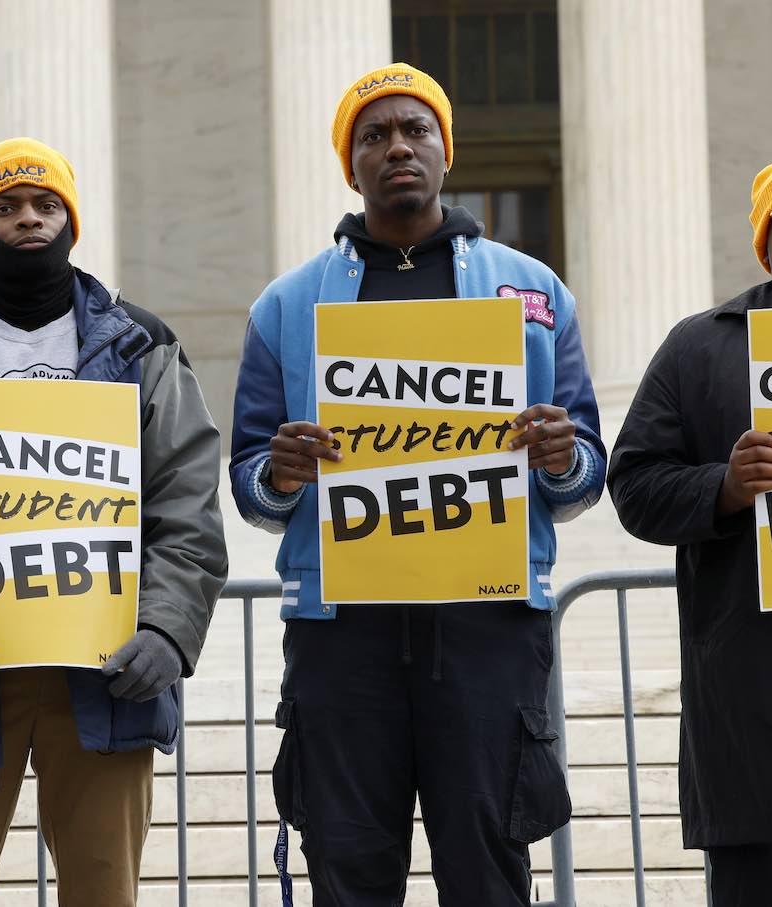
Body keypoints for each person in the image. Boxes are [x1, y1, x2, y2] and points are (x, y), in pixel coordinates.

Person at [228, 63, 605, 905]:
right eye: (375, 135)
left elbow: (586, 479)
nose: (398, 145)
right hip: (340, 635)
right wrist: (281, 474)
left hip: (488, 627)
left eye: (415, 130)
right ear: (349, 164)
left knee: (488, 867)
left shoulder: (534, 293)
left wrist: (559, 457)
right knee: (349, 866)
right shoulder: (286, 307)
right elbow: (251, 487)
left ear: (446, 150)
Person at [0, 137, 228, 906]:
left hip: (105, 676)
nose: (28, 218)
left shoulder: (143, 344)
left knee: (104, 892)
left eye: (45, 203)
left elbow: (186, 503)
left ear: (72, 220)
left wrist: (166, 629)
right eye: (6, 205)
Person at [608, 150, 772, 906]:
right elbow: (633, 485)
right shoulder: (699, 347)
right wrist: (722, 487)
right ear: (765, 240)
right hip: (757, 716)